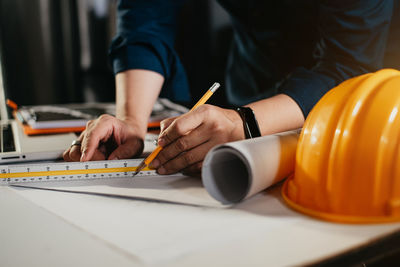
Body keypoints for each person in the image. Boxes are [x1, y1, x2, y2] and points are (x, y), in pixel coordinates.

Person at [64, 0, 400, 175]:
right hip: (252, 79)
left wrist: (245, 124)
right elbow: (145, 17)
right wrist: (132, 120)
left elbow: (349, 63)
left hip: (369, 106)